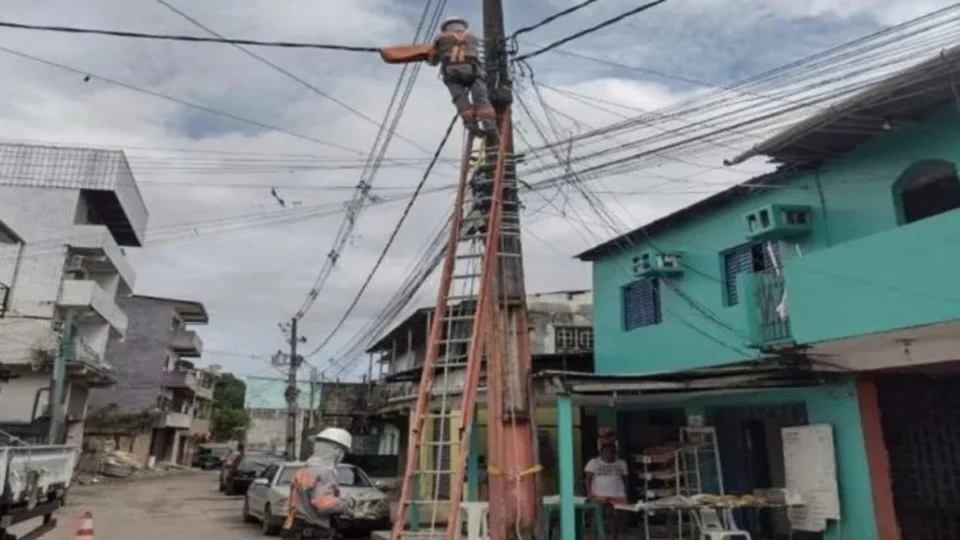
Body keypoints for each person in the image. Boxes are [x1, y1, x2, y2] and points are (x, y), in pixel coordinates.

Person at [428, 17, 496, 135]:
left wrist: (429, 59)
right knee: (480, 97)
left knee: (460, 99)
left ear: (445, 27)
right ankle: (489, 126)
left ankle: (472, 126)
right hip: (473, 70)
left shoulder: (441, 38)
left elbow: (434, 60)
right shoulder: (473, 36)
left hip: (451, 72)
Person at [283, 428, 355, 535]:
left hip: (294, 527)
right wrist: (346, 503)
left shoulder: (304, 470)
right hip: (313, 531)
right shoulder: (324, 473)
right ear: (337, 452)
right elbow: (324, 506)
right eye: (343, 452)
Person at [584, 442, 628, 540]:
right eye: (606, 452)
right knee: (596, 515)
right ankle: (593, 537)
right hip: (598, 495)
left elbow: (625, 479)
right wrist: (589, 493)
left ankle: (614, 537)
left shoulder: (621, 463)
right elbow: (588, 479)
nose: (609, 454)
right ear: (601, 453)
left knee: (615, 516)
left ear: (615, 453)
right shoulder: (594, 462)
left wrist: (625, 493)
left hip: (617, 494)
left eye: (612, 452)